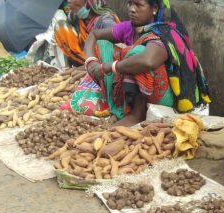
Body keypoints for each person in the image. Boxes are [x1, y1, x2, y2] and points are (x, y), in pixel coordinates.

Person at [81, 0, 210, 126]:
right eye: (130, 3)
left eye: (138, 4)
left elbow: (148, 61)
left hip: (169, 95)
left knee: (137, 54)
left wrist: (109, 67)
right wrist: (91, 62)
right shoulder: (131, 28)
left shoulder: (165, 32)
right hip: (146, 87)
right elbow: (94, 35)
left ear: (154, 9)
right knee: (102, 45)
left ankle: (136, 115)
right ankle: (122, 105)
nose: (131, 9)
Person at [54, 0, 119, 66]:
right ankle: (86, 65)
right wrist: (67, 68)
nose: (69, 1)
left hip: (104, 61)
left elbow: (116, 50)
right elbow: (67, 43)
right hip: (83, 59)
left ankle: (91, 65)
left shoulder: (105, 21)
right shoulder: (74, 17)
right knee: (61, 27)